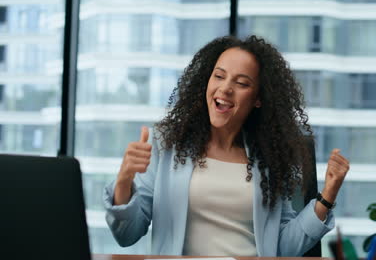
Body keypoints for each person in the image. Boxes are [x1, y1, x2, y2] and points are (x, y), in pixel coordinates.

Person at [103, 35, 350, 256]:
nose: (225, 88)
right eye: (219, 76)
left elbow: (282, 248)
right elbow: (127, 235)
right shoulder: (167, 142)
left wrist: (327, 196)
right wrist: (125, 179)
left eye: (241, 83)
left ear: (258, 99)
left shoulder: (270, 159)